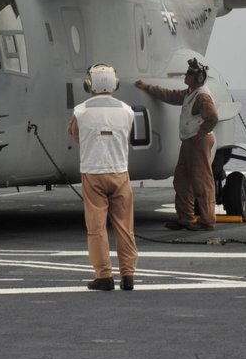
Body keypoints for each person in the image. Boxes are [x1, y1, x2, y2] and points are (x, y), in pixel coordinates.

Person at [68, 63, 138, 291]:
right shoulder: (127, 110)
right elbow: (128, 134)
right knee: (124, 227)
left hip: (93, 172)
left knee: (96, 228)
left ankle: (104, 275)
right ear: (114, 83)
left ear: (90, 84)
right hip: (119, 172)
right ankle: (128, 275)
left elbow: (75, 135)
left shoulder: (80, 111)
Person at [135, 58, 219, 231]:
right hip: (190, 141)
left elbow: (212, 117)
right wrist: (148, 88)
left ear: (198, 78)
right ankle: (186, 218)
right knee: (182, 179)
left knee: (202, 182)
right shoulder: (191, 93)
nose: (185, 75)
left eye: (189, 73)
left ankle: (207, 221)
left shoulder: (202, 96)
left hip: (198, 141)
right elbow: (171, 95)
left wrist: (201, 132)